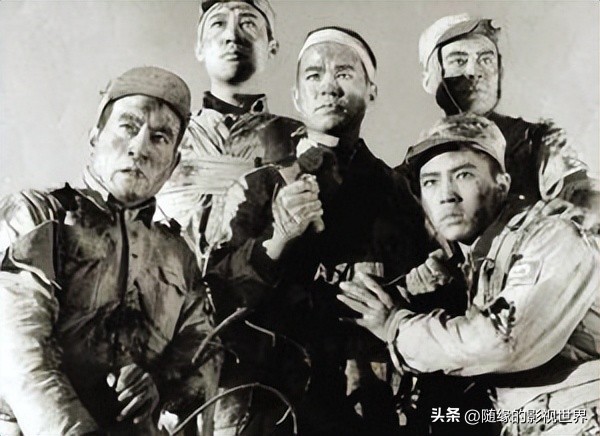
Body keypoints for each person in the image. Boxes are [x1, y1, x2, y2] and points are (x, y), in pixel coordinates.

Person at [208, 26, 429, 435]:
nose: (328, 85)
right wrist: (277, 240)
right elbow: (215, 301)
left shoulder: (401, 193)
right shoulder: (258, 187)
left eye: (344, 73)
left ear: (372, 91)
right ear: (297, 97)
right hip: (278, 408)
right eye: (314, 75)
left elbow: (430, 295)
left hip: (376, 407)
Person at [339, 113, 600, 436]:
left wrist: (397, 325)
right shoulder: (476, 264)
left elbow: (502, 341)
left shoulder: (553, 235)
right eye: (430, 182)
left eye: (463, 175)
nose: (446, 194)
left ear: (502, 183)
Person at [0, 67, 220, 436]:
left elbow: (202, 350)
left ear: (173, 164)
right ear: (95, 136)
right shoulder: (38, 215)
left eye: (160, 137)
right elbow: (16, 346)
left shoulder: (178, 255)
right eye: (128, 127)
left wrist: (158, 387)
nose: (140, 147)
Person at [155, 0, 295, 273]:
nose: (232, 35)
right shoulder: (164, 136)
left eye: (248, 23)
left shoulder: (297, 140)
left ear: (272, 48)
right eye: (218, 23)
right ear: (199, 47)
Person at [415, 13, 594, 207]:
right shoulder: (413, 169)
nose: (474, 72)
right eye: (459, 61)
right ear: (429, 78)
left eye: (486, 60)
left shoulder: (536, 143)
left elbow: (586, 203)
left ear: (500, 71)